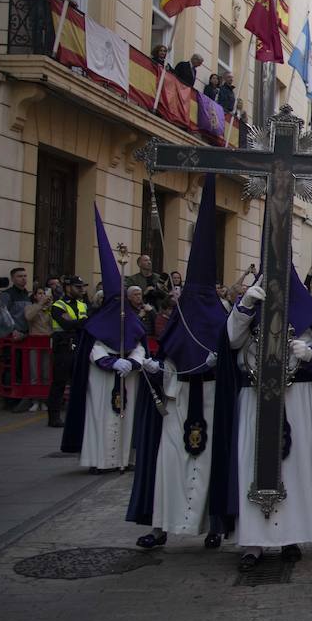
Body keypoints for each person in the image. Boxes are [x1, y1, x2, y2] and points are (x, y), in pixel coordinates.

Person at [211, 261, 312, 571]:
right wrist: (245, 306)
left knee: (298, 471)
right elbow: (231, 340)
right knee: (252, 466)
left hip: (300, 402)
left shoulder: (308, 315)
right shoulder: (251, 306)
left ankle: (292, 537)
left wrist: (311, 354)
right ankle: (253, 542)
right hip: (255, 400)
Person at [127, 175, 230, 551]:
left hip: (213, 400)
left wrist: (221, 362)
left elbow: (235, 356)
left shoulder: (221, 318)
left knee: (213, 463)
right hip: (179, 400)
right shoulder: (178, 320)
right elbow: (162, 356)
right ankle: (161, 527)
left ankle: (216, 524)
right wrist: (157, 369)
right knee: (169, 464)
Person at [60, 209, 148, 472]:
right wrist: (112, 362)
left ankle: (123, 459)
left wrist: (132, 362)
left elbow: (141, 346)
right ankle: (99, 461)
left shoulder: (131, 320)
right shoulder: (96, 323)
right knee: (100, 417)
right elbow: (93, 351)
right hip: (101, 380)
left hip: (127, 379)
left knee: (126, 419)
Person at [46, 276, 88, 428]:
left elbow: (84, 324)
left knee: (80, 382)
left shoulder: (82, 305)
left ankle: (78, 415)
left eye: (82, 286)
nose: (81, 290)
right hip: (63, 347)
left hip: (78, 345)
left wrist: (77, 323)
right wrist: (80, 323)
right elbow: (66, 324)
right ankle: (54, 417)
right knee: (59, 383)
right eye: (78, 287)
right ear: (68, 287)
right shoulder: (58, 305)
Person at [0, 266, 33, 411]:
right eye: (19, 276)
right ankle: (10, 400)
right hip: (11, 338)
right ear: (12, 279)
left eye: (25, 276)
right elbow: (2, 315)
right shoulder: (7, 295)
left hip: (26, 336)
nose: (23, 278)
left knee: (22, 369)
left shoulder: (27, 295)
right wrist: (12, 332)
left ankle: (21, 398)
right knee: (11, 368)